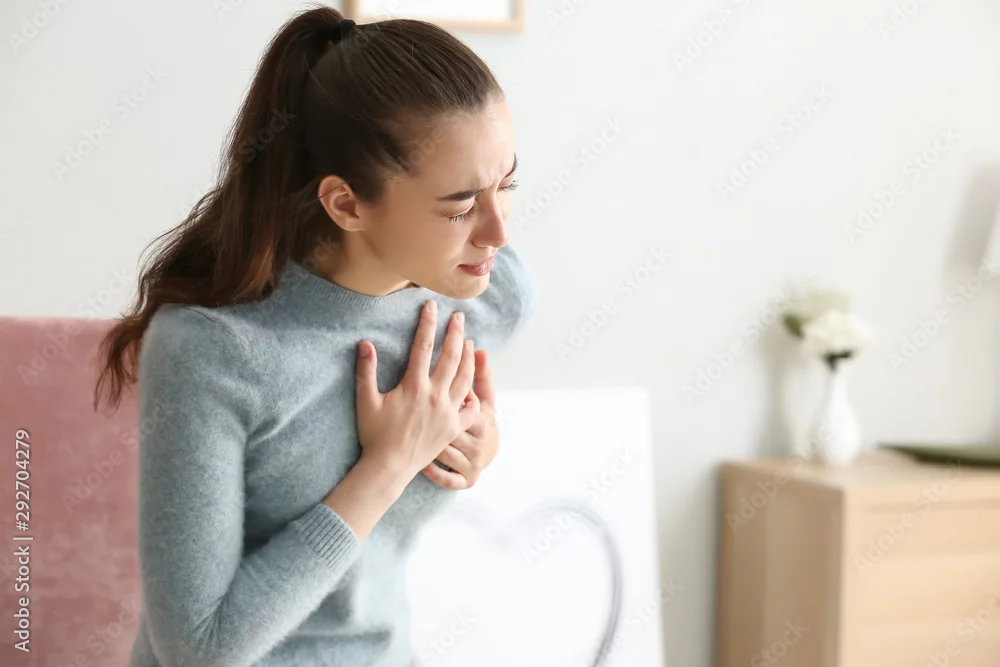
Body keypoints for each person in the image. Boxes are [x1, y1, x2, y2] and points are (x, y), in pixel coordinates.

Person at [92, 5, 537, 666]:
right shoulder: (212, 351)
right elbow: (199, 649)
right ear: (346, 204)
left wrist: (476, 445)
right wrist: (387, 466)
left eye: (508, 184)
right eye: (462, 206)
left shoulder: (489, 293)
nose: (500, 231)